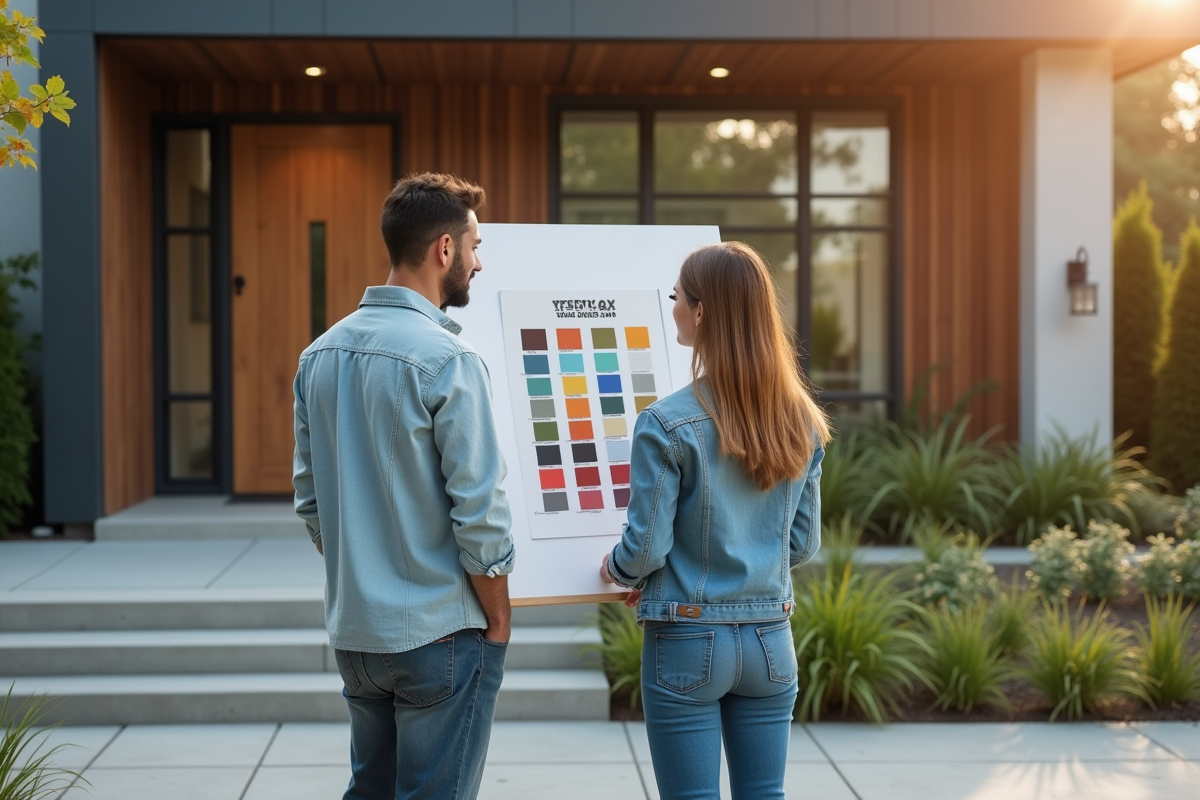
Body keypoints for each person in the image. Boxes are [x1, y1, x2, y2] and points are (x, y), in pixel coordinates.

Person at [293, 172, 514, 800]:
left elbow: (311, 503)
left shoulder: (319, 355)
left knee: (371, 791)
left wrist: (365, 570)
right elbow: (481, 511)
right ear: (444, 249)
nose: (478, 261)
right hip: (441, 633)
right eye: (474, 246)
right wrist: (498, 619)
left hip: (357, 635)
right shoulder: (450, 360)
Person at [600, 241, 830, 800]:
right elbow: (801, 544)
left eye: (677, 297)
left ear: (701, 311)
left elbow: (646, 549)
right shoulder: (800, 418)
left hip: (686, 636)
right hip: (770, 640)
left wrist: (619, 569)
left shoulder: (667, 422)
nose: (673, 306)